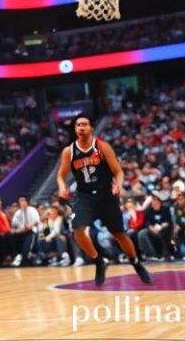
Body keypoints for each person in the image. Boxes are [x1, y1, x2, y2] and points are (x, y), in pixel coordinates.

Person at [57, 115, 151, 286]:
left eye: (85, 124)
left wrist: (118, 186)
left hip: (106, 195)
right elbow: (60, 176)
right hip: (85, 196)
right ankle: (98, 260)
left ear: (91, 128)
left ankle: (136, 262)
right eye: (78, 125)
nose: (81, 127)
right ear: (75, 129)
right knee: (77, 229)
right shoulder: (68, 152)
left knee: (119, 234)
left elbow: (118, 172)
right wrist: (62, 187)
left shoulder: (102, 147)